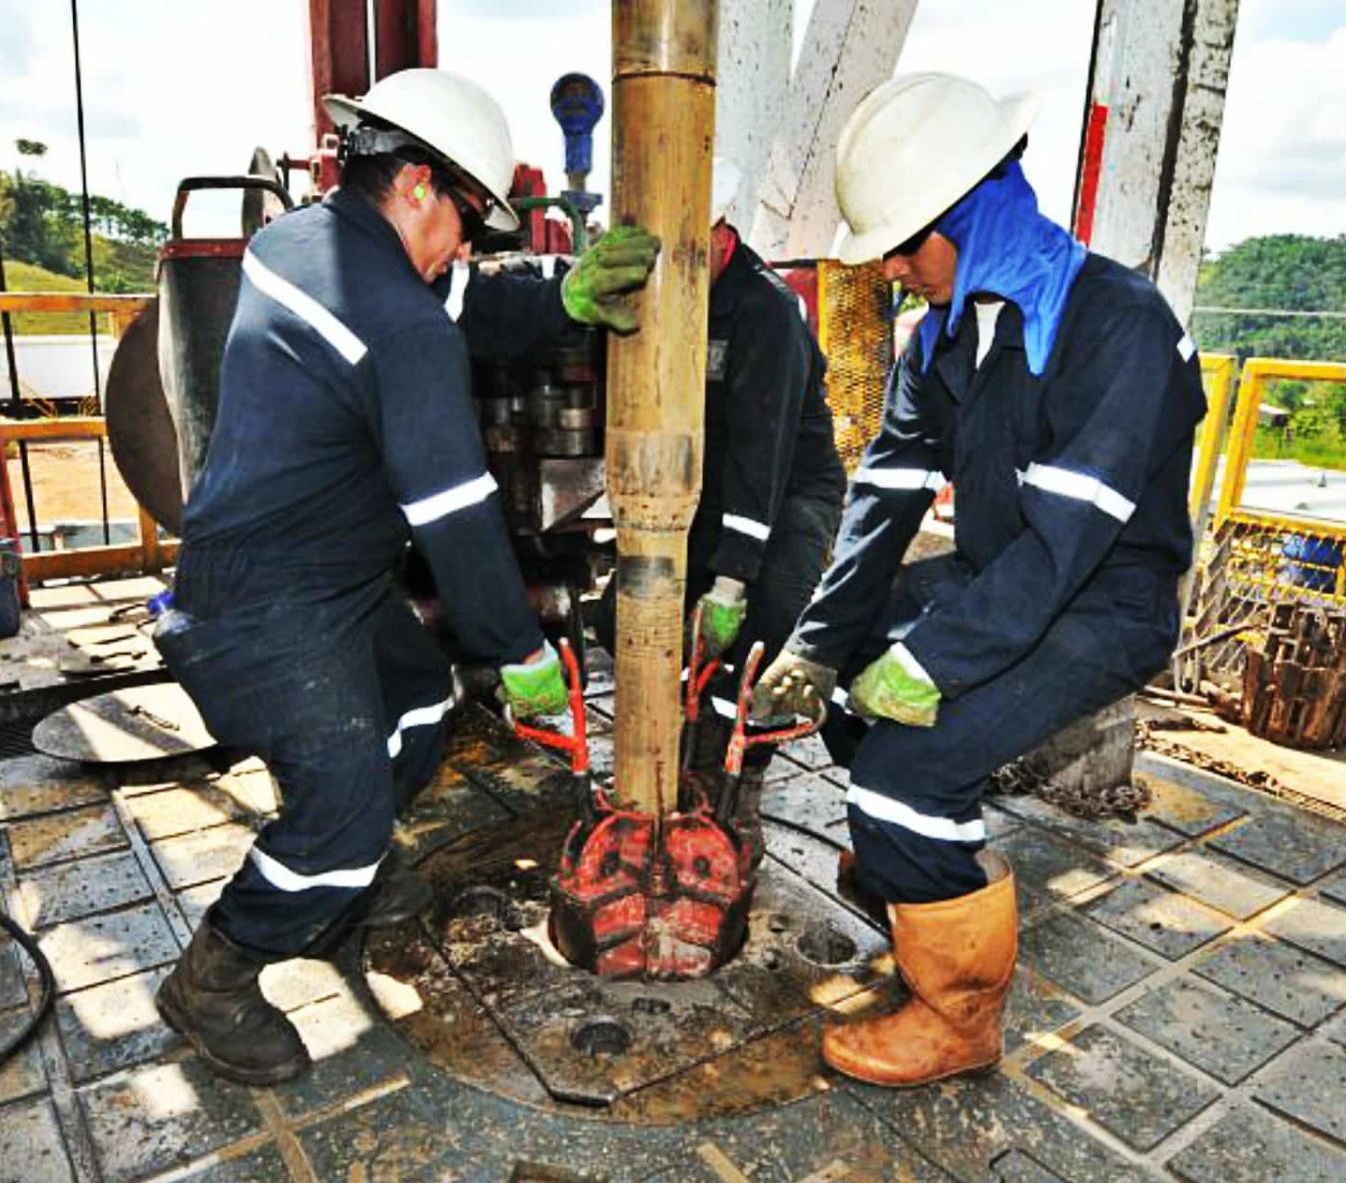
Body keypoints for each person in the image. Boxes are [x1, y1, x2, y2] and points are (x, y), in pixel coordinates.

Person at [153, 68, 659, 1086]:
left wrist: (558, 293)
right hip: (263, 607)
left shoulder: (298, 240)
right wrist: (519, 651)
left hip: (321, 579)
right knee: (337, 807)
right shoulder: (400, 322)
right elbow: (459, 516)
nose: (467, 245)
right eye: (468, 215)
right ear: (419, 184)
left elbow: (462, 295)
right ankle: (218, 972)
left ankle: (350, 865)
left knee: (422, 701)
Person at [753, 73, 1206, 1088]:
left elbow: (1064, 548)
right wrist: (818, 643)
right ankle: (912, 880)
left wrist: (933, 661)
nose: (899, 273)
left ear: (971, 219)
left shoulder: (1118, 327)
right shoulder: (947, 336)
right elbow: (887, 495)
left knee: (908, 771)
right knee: (849, 682)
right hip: (1003, 574)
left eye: (908, 248)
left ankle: (958, 1015)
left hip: (1102, 602)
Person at [593, 158, 845, 819]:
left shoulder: (765, 312)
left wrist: (732, 580)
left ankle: (737, 794)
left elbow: (763, 458)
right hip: (705, 485)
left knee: (753, 650)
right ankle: (677, 747)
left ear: (718, 231)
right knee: (640, 624)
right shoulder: (660, 291)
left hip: (786, 492)